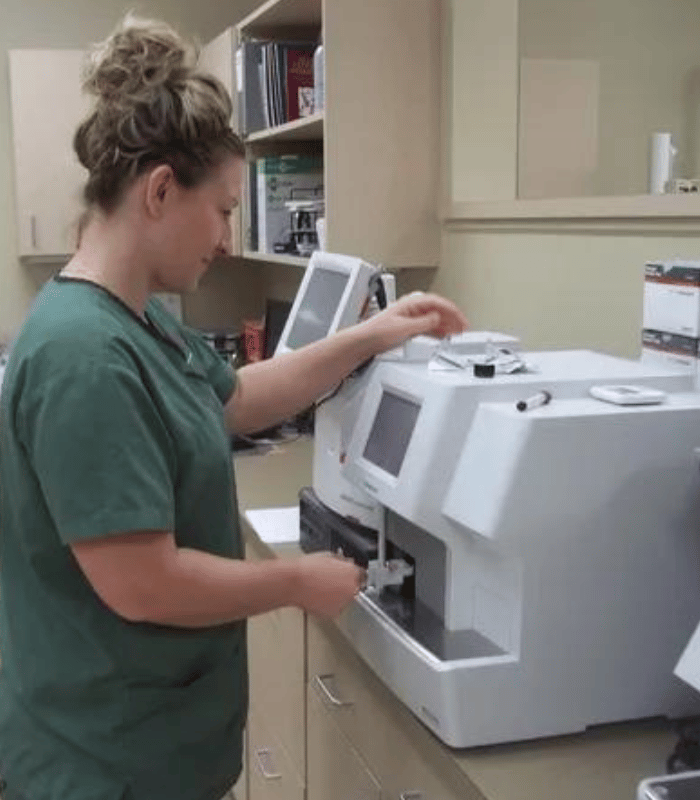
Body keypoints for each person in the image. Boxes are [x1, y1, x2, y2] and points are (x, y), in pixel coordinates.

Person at [0, 14, 468, 800]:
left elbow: (239, 399)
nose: (225, 236)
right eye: (221, 209)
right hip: (101, 763)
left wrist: (372, 332)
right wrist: (294, 581)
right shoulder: (83, 355)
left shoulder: (136, 317)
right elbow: (143, 584)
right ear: (158, 192)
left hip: (150, 743)